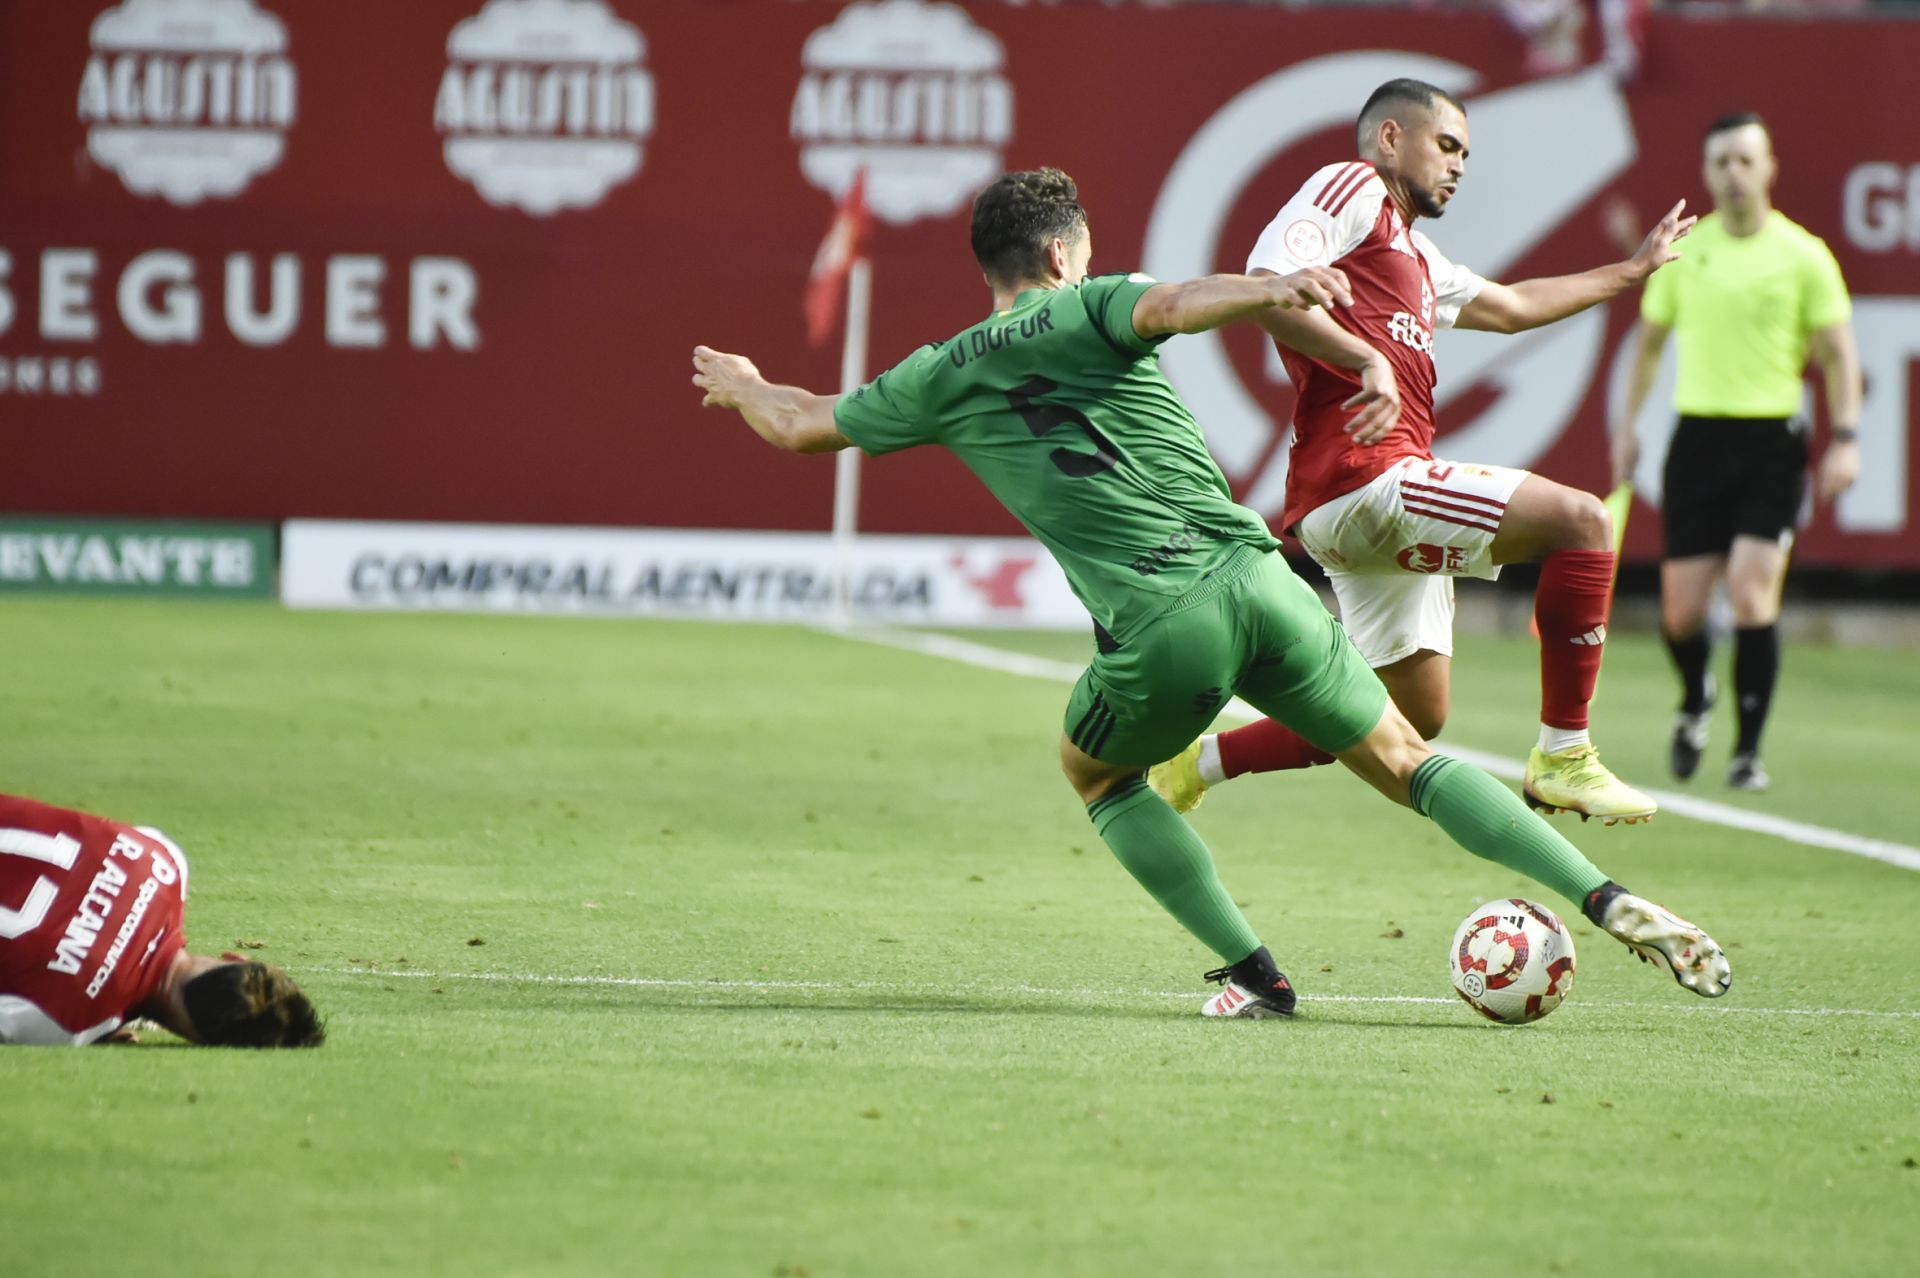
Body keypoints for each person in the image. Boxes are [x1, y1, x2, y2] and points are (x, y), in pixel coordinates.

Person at [692, 167, 1729, 1016]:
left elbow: (799, 421)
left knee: (1097, 775)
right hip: (1266, 582)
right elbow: (1182, 303)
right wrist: (1274, 293)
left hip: (1163, 624)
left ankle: (1254, 971)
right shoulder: (1095, 305)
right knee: (1408, 756)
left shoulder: (934, 374)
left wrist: (741, 385)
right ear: (1063, 255)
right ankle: (1605, 896)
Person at [1151, 78, 1691, 827]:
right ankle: (1564, 753)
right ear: (1389, 138)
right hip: (1364, 477)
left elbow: (1510, 308)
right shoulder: (1351, 189)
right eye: (1446, 145)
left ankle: (1200, 762)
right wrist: (1363, 359)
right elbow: (1270, 284)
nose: (1460, 165)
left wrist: (1628, 273)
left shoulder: (1414, 254)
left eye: (1466, 153)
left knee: (1411, 717)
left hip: (1352, 504)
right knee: (1583, 522)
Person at [1612, 112, 1861, 793]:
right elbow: (1650, 344)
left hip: (1770, 441)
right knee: (1679, 615)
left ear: (1769, 166)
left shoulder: (1803, 255)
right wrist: (1628, 426)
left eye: (1746, 160)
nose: (1734, 174)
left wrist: (1846, 437)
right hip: (1697, 439)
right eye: (1721, 162)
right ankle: (1696, 697)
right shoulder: (1687, 253)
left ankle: (1748, 751)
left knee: (1753, 597)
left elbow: (1839, 356)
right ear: (1707, 173)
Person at [0, 791, 324, 1047]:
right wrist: (101, 1023)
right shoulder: (66, 1021)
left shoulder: (165, 860)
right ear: (194, 1037)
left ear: (235, 957)